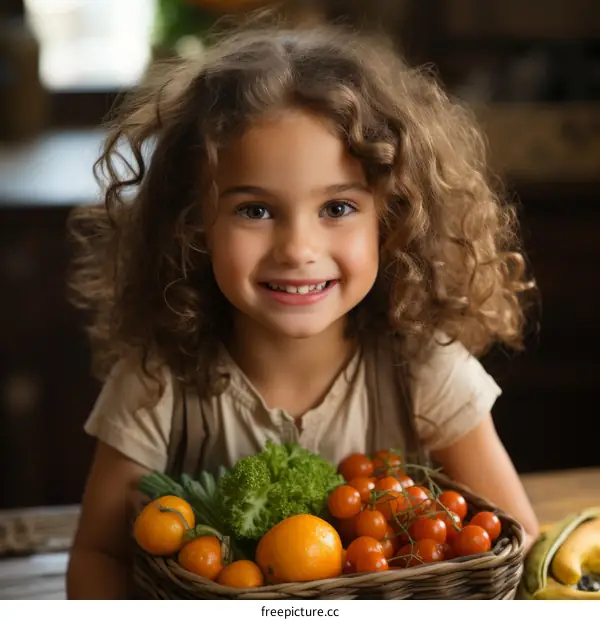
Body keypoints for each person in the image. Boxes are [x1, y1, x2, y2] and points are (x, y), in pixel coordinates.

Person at [65, 14, 540, 599]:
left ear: (390, 222)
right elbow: (100, 554)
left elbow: (518, 550)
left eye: (337, 208)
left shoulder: (423, 371)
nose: (297, 250)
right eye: (255, 210)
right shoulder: (157, 384)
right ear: (194, 225)